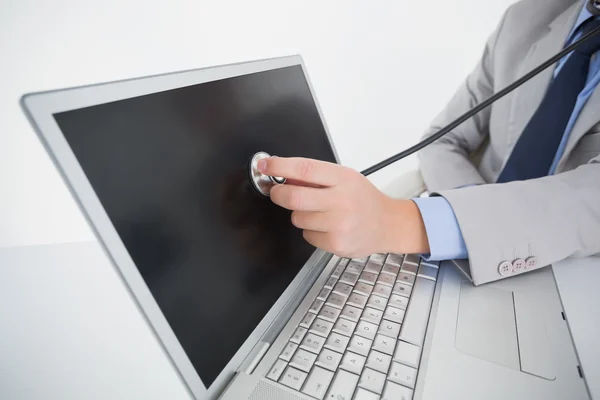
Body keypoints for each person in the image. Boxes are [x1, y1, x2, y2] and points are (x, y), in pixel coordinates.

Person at [257, 0, 600, 285]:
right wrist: (470, 228)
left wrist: (405, 222)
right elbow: (443, 140)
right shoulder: (527, 17)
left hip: (571, 282)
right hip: (466, 266)